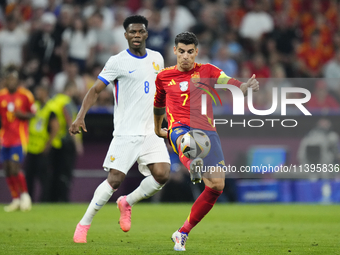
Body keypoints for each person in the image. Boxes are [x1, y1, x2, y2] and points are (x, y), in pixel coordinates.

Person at [153, 32, 259, 251]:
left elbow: (228, 81)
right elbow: (158, 105)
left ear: (196, 52)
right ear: (175, 51)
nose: (185, 56)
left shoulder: (207, 71)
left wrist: (244, 87)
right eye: (181, 51)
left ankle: (182, 232)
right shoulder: (163, 76)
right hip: (178, 129)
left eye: (190, 52)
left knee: (217, 187)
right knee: (189, 140)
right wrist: (157, 129)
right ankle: (194, 165)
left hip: (208, 131)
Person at [69, 15, 170, 243]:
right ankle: (84, 223)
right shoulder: (117, 61)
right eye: (132, 32)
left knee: (162, 174)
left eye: (140, 31)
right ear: (125, 35)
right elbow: (95, 90)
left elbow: (160, 93)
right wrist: (80, 116)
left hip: (151, 131)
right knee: (114, 180)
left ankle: (127, 202)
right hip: (126, 132)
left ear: (146, 34)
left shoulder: (157, 58)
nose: (136, 35)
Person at [0, 65, 36, 212]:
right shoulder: (1, 95)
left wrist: (23, 115)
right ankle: (15, 199)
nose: (11, 82)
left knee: (15, 167)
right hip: (5, 138)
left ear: (17, 81)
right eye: (8, 80)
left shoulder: (25, 95)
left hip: (19, 138)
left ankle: (25, 196)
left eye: (13, 79)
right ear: (5, 81)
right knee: (7, 169)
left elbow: (33, 113)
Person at [25, 85, 59, 202]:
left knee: (43, 178)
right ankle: (28, 199)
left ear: (45, 92)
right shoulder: (35, 106)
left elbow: (55, 128)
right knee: (28, 176)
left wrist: (48, 145)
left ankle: (45, 200)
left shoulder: (51, 108)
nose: (37, 94)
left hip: (42, 148)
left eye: (39, 91)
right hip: (31, 147)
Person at [49, 82, 82, 202]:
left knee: (56, 172)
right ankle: (63, 198)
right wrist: (77, 144)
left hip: (54, 142)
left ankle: (53, 197)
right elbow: (70, 122)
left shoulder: (54, 100)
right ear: (70, 89)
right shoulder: (67, 102)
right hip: (66, 142)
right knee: (65, 172)